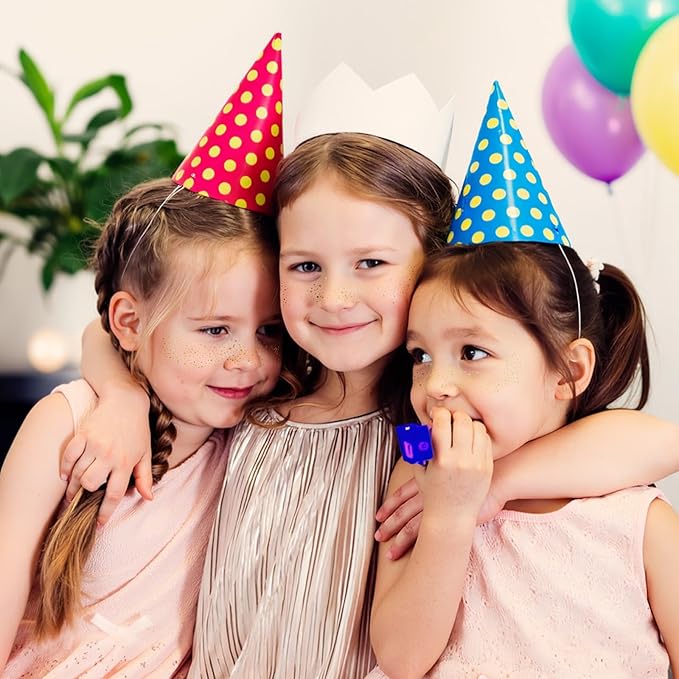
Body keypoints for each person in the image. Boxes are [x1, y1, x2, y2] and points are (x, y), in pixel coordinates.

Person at [63, 69, 679, 677]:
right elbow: (117, 333)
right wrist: (119, 393)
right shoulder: (259, 385)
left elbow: (656, 441)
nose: (334, 298)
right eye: (305, 266)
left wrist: (491, 485)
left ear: (432, 267)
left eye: (371, 263)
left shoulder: (422, 430)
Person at [368, 82, 679, 679]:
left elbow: (665, 438)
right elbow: (401, 658)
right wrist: (450, 516)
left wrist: (492, 488)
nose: (435, 385)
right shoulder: (418, 481)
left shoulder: (638, 521)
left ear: (569, 371)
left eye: (472, 351)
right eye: (420, 355)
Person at [0, 35, 288, 675]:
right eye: (215, 330)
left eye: (270, 331)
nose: (247, 360)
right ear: (129, 322)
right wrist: (120, 395)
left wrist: (124, 390)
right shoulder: (67, 425)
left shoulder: (259, 435)